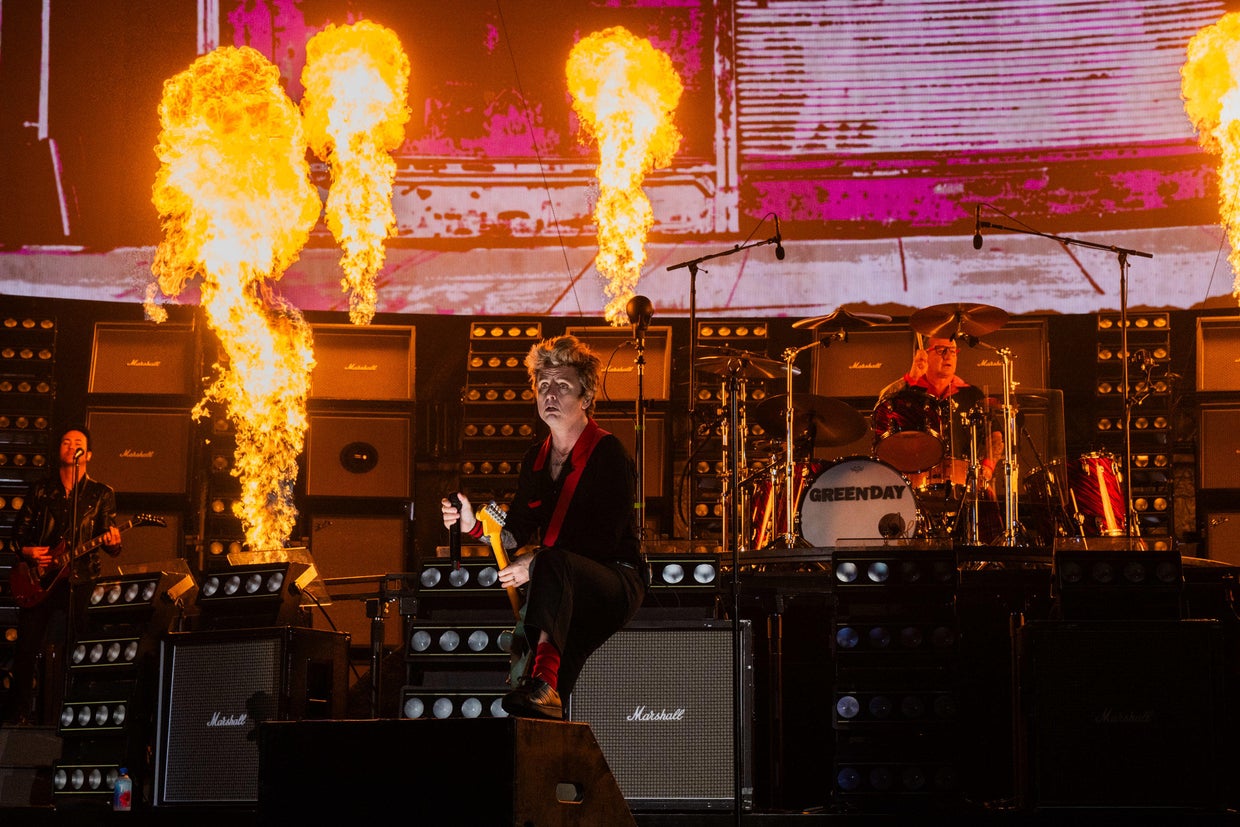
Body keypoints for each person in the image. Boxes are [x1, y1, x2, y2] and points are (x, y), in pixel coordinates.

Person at [441, 335, 646, 720]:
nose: (550, 394)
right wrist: (472, 525)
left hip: (616, 580)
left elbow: (602, 541)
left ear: (586, 398)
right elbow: (516, 530)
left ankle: (544, 684)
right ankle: (547, 706)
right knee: (539, 704)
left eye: (563, 386)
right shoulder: (534, 458)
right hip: (560, 581)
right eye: (543, 385)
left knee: (552, 565)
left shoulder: (609, 454)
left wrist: (535, 562)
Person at [3, 426, 122, 725]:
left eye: (78, 443)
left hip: (80, 578)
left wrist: (115, 542)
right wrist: (31, 553)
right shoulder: (41, 489)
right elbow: (17, 535)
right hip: (39, 579)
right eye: (66, 442)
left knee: (81, 646)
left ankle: (79, 714)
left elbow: (112, 547)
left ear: (89, 454)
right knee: (27, 647)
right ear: (59, 450)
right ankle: (18, 714)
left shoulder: (101, 494)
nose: (72, 447)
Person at [874, 336, 1005, 503]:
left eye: (952, 351)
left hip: (963, 482)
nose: (948, 356)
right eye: (941, 350)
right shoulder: (908, 391)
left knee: (989, 502)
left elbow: (995, 435)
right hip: (914, 480)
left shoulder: (972, 394)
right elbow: (882, 403)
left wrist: (987, 467)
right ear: (923, 354)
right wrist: (911, 377)